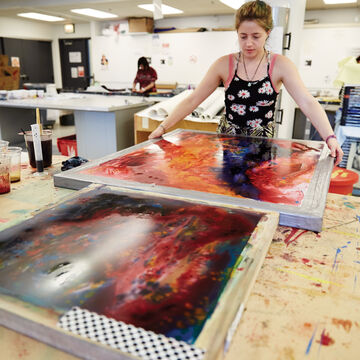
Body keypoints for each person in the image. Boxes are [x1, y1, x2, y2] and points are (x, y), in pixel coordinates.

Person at [149, 0, 343, 166]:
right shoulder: (224, 64)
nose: (249, 43)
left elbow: (307, 102)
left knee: (256, 192)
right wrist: (163, 127)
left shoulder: (280, 65)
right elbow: (193, 100)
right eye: (243, 36)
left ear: (267, 33)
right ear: (237, 33)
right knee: (228, 191)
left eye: (256, 36)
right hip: (227, 141)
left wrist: (330, 137)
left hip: (262, 143)